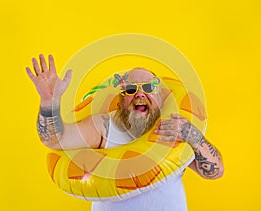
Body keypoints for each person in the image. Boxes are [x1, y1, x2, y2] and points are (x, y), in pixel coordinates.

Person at [26, 54, 224, 211]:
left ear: (161, 96)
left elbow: (215, 172)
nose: (139, 94)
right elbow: (55, 139)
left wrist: (194, 137)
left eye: (147, 87)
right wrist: (49, 103)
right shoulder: (104, 126)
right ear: (121, 99)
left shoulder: (175, 126)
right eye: (131, 89)